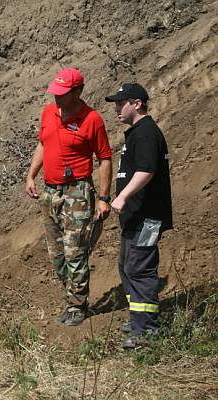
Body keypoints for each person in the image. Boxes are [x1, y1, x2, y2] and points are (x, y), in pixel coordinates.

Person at [26, 68, 112, 326]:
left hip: (78, 192)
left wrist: (104, 198)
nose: (57, 97)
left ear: (78, 92)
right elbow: (43, 144)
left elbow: (105, 159)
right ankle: (72, 297)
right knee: (57, 255)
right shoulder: (48, 113)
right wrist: (31, 175)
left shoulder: (92, 119)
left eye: (62, 93)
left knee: (75, 252)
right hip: (50, 192)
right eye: (55, 92)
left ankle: (77, 306)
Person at [105, 83, 173, 348]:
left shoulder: (146, 133)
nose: (116, 108)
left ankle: (147, 331)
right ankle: (139, 320)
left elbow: (146, 170)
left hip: (147, 217)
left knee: (140, 269)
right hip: (136, 217)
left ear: (137, 104)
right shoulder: (137, 133)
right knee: (127, 265)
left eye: (121, 103)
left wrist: (122, 197)